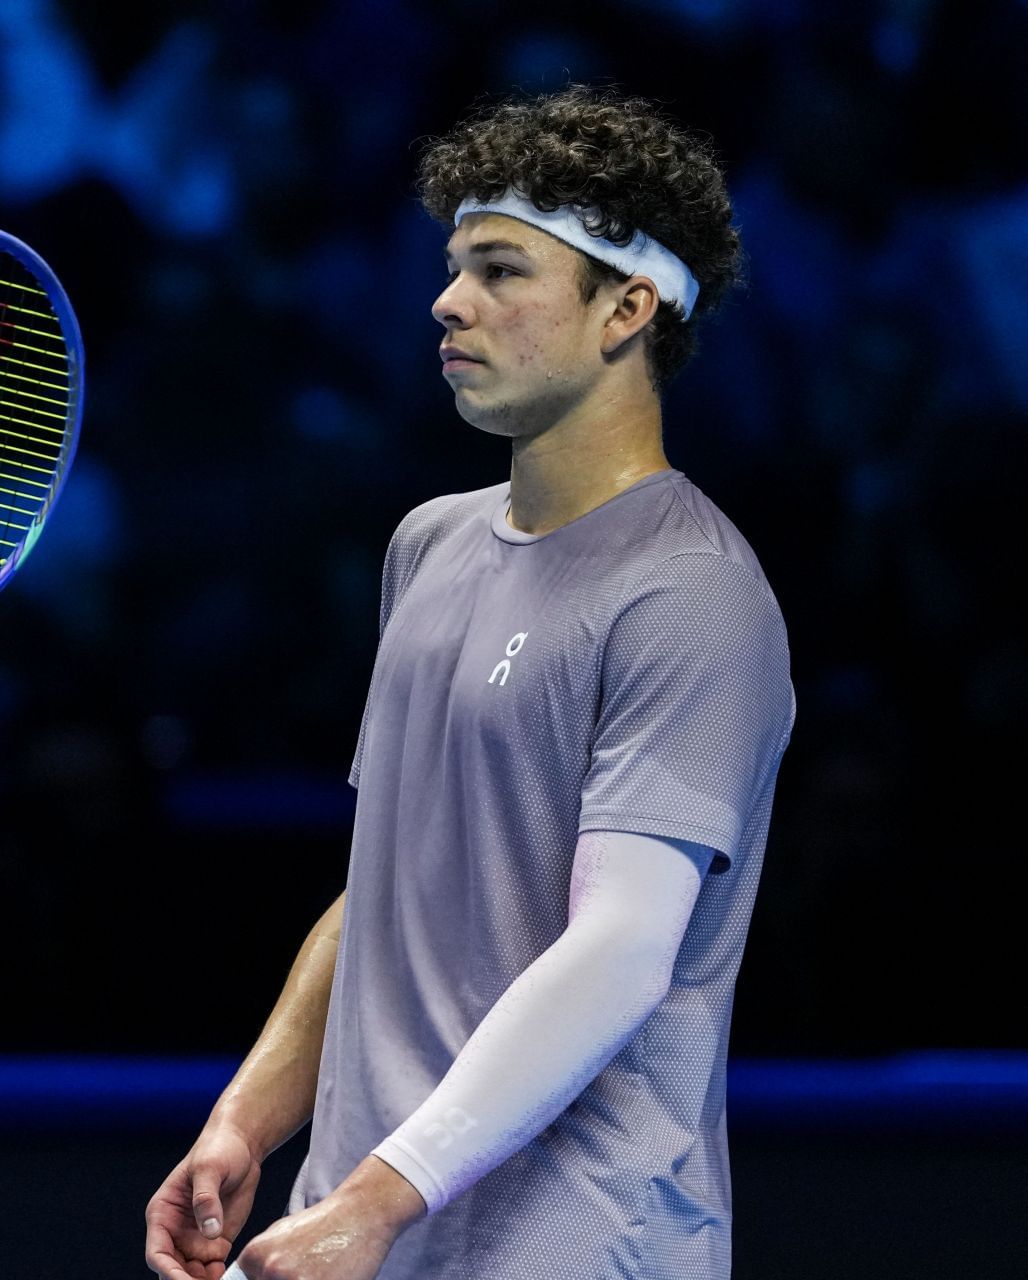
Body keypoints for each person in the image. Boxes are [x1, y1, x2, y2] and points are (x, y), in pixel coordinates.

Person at [144, 84, 795, 1280]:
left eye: (501, 270)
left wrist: (382, 1198)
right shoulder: (429, 543)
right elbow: (385, 890)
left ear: (627, 309)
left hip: (571, 1244)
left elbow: (620, 950)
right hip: (349, 1225)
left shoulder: (695, 594)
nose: (448, 301)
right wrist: (247, 1116)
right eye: (454, 266)